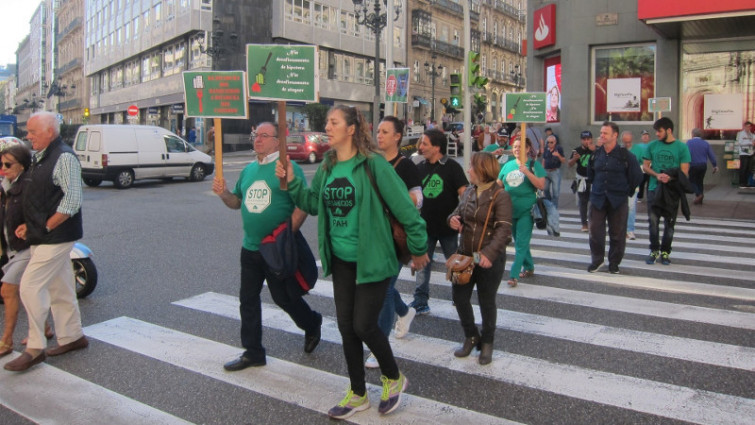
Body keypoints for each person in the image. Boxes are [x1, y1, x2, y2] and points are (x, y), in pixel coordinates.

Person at [276, 105, 429, 419]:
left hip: (373, 257)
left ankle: (393, 377)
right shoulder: (329, 166)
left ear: (351, 129)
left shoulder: (374, 165)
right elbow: (311, 204)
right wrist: (293, 181)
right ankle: (358, 393)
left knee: (364, 325)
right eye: (327, 122)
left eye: (334, 122)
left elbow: (407, 210)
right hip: (342, 259)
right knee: (346, 328)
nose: (327, 127)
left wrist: (418, 249)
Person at [212, 121, 323, 372]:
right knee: (247, 299)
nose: (258, 139)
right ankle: (253, 352)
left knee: (284, 297)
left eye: (264, 135)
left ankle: (312, 323)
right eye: (256, 135)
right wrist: (223, 193)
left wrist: (286, 234)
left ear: (277, 140)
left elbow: (303, 204)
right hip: (250, 247)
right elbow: (235, 202)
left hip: (275, 248)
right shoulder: (249, 170)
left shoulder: (286, 167)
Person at [5, 111, 87, 372]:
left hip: (55, 235)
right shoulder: (40, 158)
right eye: (27, 132)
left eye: (33, 132)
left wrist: (43, 226)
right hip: (43, 233)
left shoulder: (63, 157)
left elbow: (72, 200)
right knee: (60, 288)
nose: (27, 136)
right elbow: (41, 197)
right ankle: (73, 337)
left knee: (29, 286)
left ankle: (35, 347)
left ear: (50, 132)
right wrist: (29, 225)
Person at [367, 116, 423, 368]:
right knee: (379, 287)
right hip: (372, 234)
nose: (379, 135)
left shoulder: (406, 166)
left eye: (385, 131)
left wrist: (395, 199)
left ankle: (381, 346)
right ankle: (404, 311)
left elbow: (418, 200)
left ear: (398, 136)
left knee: (385, 290)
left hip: (394, 236)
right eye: (378, 131)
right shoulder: (371, 163)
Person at [448, 152, 512, 365]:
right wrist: (453, 220)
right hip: (465, 255)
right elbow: (455, 212)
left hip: (487, 257)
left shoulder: (500, 195)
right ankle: (471, 335)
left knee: (486, 301)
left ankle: (487, 343)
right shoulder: (468, 191)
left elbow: (504, 230)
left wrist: (488, 254)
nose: (468, 171)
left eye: (472, 167)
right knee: (459, 298)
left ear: (483, 170)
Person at [0, 144, 53, 356]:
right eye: (0, 164)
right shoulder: (6, 185)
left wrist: (29, 227)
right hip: (11, 247)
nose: (3, 168)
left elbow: (44, 211)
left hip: (27, 246)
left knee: (8, 289)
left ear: (22, 166)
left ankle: (6, 340)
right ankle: (45, 327)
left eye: (7, 164)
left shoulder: (29, 186)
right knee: (27, 290)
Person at [412, 128, 468, 315]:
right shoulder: (419, 168)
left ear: (437, 147)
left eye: (425, 144)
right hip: (424, 227)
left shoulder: (452, 167)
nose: (421, 147)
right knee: (422, 266)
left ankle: (459, 298)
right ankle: (420, 301)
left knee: (455, 264)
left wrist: (461, 217)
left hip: (448, 228)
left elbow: (465, 195)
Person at [587, 122, 643, 274]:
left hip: (618, 200)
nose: (602, 136)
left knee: (617, 233)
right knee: (595, 231)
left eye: (605, 133)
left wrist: (627, 191)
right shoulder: (596, 154)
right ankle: (597, 260)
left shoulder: (626, 156)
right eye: (601, 133)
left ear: (615, 135)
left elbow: (637, 176)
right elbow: (590, 175)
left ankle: (614, 263)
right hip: (598, 199)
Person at [497, 136, 546, 287]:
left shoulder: (534, 165)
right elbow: (499, 184)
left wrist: (527, 172)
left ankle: (513, 275)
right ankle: (529, 266)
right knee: (520, 242)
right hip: (510, 210)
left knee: (521, 243)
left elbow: (541, 185)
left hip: (527, 210)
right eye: (515, 146)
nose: (517, 149)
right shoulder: (507, 165)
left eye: (520, 146)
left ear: (528, 149)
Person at [642, 117, 691, 265]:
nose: (657, 134)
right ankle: (654, 250)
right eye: (656, 131)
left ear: (669, 130)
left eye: (660, 131)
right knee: (653, 222)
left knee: (669, 224)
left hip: (672, 191)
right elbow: (645, 166)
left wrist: (669, 178)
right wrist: (657, 175)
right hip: (653, 189)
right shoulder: (651, 146)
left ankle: (665, 251)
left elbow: (684, 172)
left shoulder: (682, 148)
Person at [568, 131, 596, 232]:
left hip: (593, 179)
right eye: (584, 139)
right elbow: (569, 164)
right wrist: (574, 159)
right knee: (582, 202)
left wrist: (595, 150)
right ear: (581, 140)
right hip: (581, 178)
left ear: (591, 139)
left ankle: (593, 222)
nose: (586, 141)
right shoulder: (577, 150)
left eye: (588, 139)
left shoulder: (596, 149)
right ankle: (584, 224)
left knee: (594, 202)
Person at [622, 131, 645, 240]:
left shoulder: (638, 150)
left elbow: (644, 163)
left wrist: (638, 169)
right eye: (625, 142)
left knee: (631, 207)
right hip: (621, 183)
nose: (627, 144)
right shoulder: (619, 150)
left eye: (629, 142)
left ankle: (630, 229)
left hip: (633, 182)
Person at [686, 128, 718, 205]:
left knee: (691, 181)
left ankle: (699, 194)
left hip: (693, 164)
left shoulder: (689, 143)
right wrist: (715, 165)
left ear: (693, 134)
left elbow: (686, 154)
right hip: (703, 165)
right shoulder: (705, 143)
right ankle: (699, 199)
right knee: (700, 181)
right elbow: (711, 155)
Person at [736, 121, 754, 188]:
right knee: (743, 168)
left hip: (750, 153)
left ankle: (747, 182)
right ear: (744, 127)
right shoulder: (740, 134)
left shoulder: (751, 134)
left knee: (748, 168)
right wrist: (749, 143)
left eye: (749, 127)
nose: (748, 128)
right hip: (743, 153)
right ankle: (742, 183)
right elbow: (739, 143)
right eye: (747, 126)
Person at [636, 129, 652, 200]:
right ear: (641, 137)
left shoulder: (652, 145)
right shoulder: (638, 146)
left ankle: (650, 197)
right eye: (644, 136)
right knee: (641, 183)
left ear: (649, 137)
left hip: (650, 167)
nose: (645, 137)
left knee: (650, 183)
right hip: (641, 167)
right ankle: (639, 197)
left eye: (646, 135)